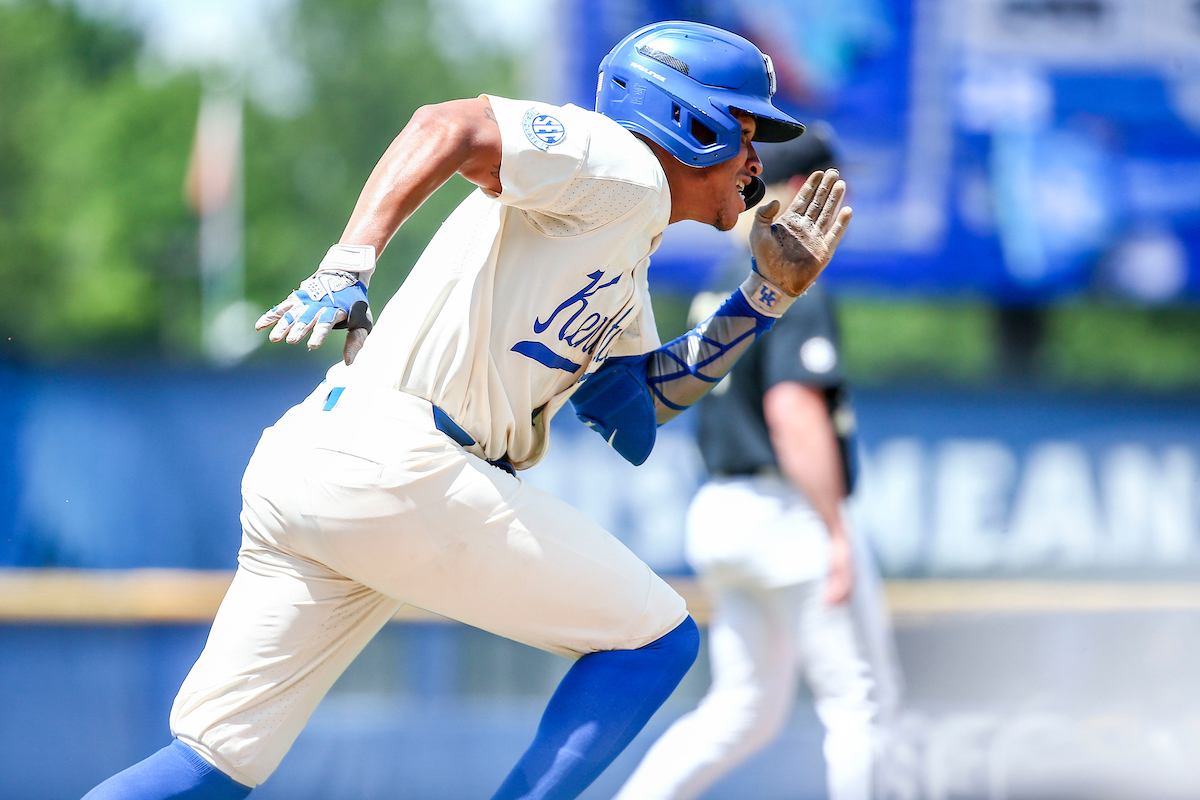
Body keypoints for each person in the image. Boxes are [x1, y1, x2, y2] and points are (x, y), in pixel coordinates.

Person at [83, 21, 851, 800]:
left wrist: (764, 298)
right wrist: (349, 259)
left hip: (323, 461)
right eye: (745, 130)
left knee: (209, 766)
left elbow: (643, 397)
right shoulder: (617, 164)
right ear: (690, 122)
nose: (757, 163)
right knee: (655, 641)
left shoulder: (623, 234)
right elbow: (445, 126)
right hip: (401, 461)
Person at [614, 129, 891, 800]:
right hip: (785, 510)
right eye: (831, 191)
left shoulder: (727, 282)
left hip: (721, 511)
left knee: (743, 709)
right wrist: (833, 530)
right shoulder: (796, 281)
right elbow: (793, 412)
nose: (839, 211)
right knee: (861, 703)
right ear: (803, 191)